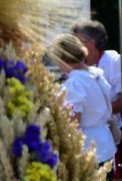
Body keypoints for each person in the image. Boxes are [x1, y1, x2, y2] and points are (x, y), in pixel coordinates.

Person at [48, 33, 116, 167]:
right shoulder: (96, 74)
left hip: (88, 148)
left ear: (62, 58)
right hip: (105, 143)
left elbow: (73, 123)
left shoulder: (75, 83)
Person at [71, 19, 122, 144]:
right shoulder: (78, 66)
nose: (73, 47)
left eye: (76, 42)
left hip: (111, 135)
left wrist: (97, 112)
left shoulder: (113, 62)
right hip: (85, 136)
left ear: (91, 43)